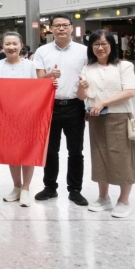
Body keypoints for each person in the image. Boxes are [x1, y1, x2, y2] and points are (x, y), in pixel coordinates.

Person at [77, 30, 135, 218]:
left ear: (111, 45)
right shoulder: (88, 68)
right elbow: (81, 96)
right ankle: (103, 197)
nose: (100, 48)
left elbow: (129, 91)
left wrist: (103, 103)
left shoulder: (124, 66)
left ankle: (124, 200)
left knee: (122, 156)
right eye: (96, 44)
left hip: (119, 116)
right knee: (99, 155)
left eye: (104, 44)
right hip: (96, 117)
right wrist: (81, 88)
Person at [0, 31, 57, 207]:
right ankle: (16, 187)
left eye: (15, 43)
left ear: (21, 46)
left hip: (28, 115)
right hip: (6, 116)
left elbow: (38, 87)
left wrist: (50, 83)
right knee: (12, 152)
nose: (11, 47)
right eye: (7, 44)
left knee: (27, 151)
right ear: (2, 46)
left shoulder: (30, 66)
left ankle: (26, 188)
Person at [33, 14, 89, 206]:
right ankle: (50, 187)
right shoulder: (42, 51)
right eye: (57, 26)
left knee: (76, 151)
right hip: (50, 106)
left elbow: (89, 78)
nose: (61, 28)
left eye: (65, 25)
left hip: (75, 105)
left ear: (72, 27)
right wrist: (49, 75)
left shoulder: (84, 51)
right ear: (51, 29)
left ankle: (75, 189)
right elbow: (39, 80)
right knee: (50, 150)